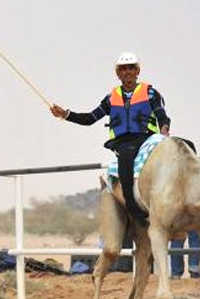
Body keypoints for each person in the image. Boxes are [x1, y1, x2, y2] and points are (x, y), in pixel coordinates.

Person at [50, 52, 170, 226]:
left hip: (147, 138)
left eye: (131, 68)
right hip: (124, 142)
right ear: (118, 73)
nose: (127, 72)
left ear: (137, 71)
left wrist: (165, 131)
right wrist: (66, 114)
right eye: (123, 69)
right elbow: (90, 118)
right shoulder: (110, 98)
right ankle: (132, 206)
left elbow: (161, 115)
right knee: (127, 155)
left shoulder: (150, 93)